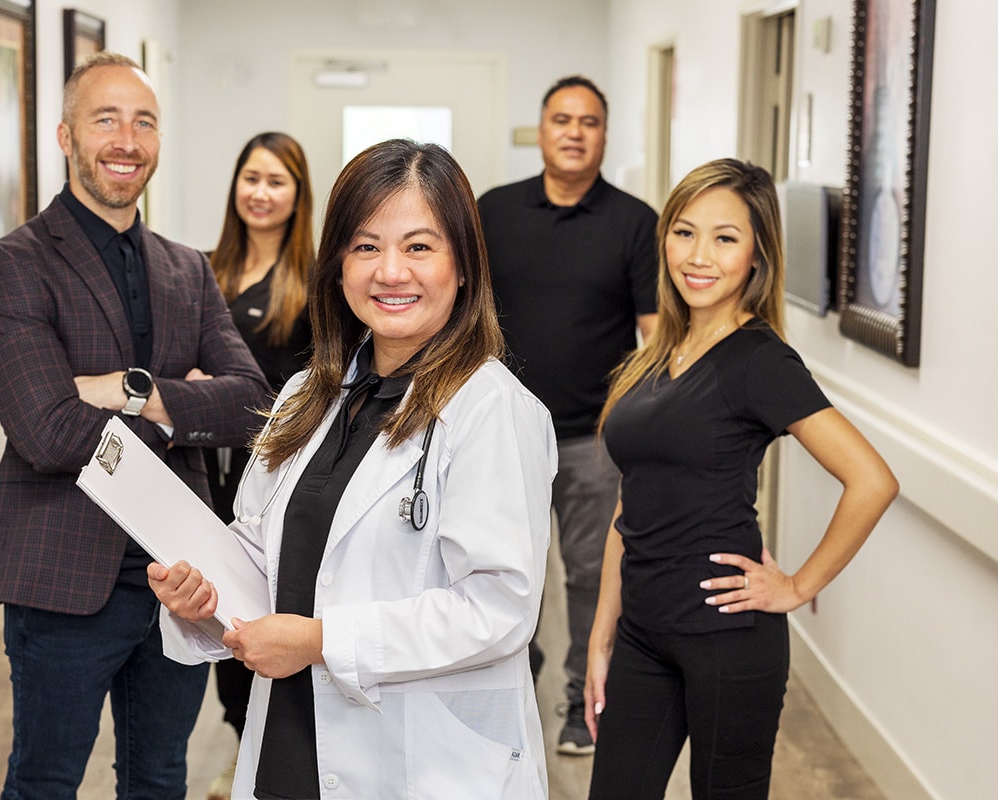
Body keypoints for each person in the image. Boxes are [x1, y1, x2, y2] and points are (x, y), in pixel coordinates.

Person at [150, 139, 558, 798]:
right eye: (366, 246)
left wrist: (319, 641)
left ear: (463, 266)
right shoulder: (306, 394)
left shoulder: (494, 411)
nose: (390, 271)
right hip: (291, 738)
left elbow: (498, 609)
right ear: (337, 263)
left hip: (423, 761)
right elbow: (259, 548)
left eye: (419, 247)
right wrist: (202, 600)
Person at [0, 52, 270, 799]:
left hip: (183, 575)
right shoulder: (10, 265)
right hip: (65, 573)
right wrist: (182, 412)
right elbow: (46, 431)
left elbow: (252, 404)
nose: (126, 140)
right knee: (44, 779)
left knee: (160, 774)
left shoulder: (188, 268)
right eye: (106, 119)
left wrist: (131, 393)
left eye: (144, 122)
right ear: (66, 136)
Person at [583, 158, 899, 799]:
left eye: (725, 238)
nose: (699, 256)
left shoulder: (760, 361)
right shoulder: (658, 352)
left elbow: (872, 479)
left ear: (756, 255)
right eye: (684, 231)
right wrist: (601, 633)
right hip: (643, 630)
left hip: (727, 637)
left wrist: (797, 585)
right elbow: (630, 502)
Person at [477, 74, 659, 755]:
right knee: (501, 571)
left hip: (593, 441)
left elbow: (656, 335)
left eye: (589, 121)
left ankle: (585, 702)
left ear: (605, 135)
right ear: (543, 129)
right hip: (502, 436)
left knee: (591, 576)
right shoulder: (494, 211)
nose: (575, 131)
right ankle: (507, 691)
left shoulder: (635, 222)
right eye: (562, 119)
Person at [202, 132, 316, 799]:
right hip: (210, 476)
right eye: (251, 177)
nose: (261, 193)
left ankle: (272, 755)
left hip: (275, 476)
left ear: (298, 195)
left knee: (266, 615)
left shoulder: (309, 284)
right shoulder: (206, 269)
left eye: (277, 181)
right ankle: (243, 744)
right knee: (218, 616)